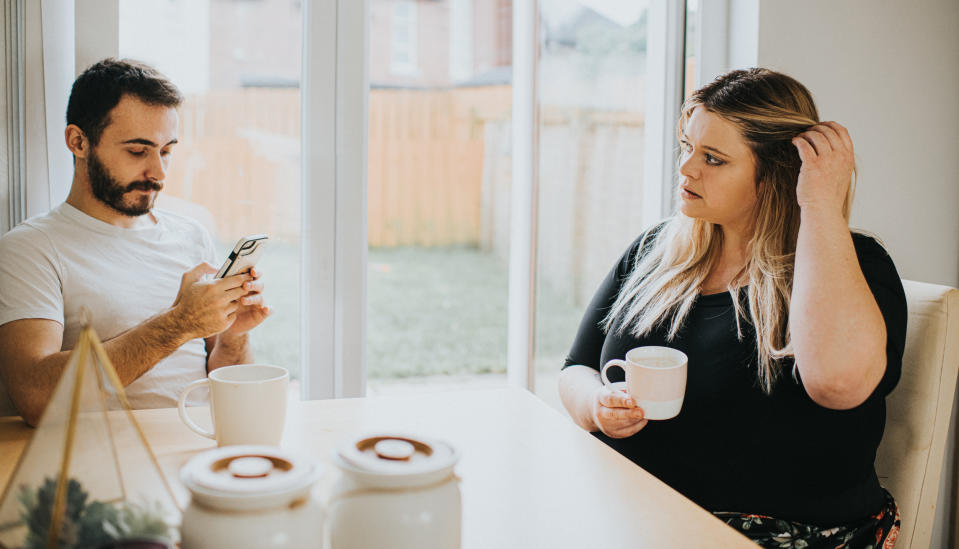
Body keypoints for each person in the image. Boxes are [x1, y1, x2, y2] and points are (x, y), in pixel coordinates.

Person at [558, 68, 905, 547]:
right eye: (687, 147)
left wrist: (820, 204)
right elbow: (576, 368)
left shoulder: (855, 263)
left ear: (778, 173)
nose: (686, 169)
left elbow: (838, 385)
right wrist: (597, 407)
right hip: (638, 514)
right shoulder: (654, 250)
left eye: (714, 159)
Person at [0, 59, 272, 427]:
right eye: (137, 151)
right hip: (109, 467)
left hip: (203, 448)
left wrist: (233, 338)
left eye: (166, 150)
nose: (158, 172)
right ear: (78, 142)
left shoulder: (191, 236)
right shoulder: (30, 250)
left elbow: (227, 387)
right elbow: (35, 397)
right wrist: (179, 323)